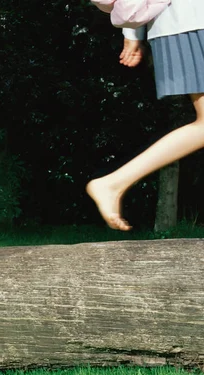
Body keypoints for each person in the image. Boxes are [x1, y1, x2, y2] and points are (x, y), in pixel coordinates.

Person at [87, 0, 204, 230]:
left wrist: (132, 31)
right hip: (190, 19)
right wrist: (131, 30)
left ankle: (113, 183)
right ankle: (113, 183)